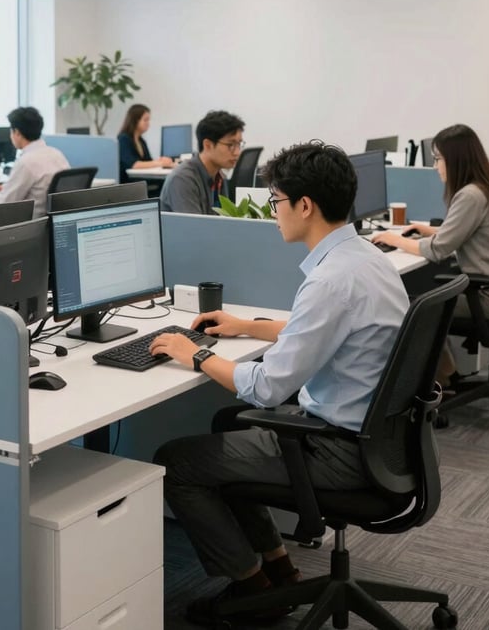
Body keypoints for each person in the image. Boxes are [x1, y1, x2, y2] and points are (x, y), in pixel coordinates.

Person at [150, 142, 409, 625]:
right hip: (383, 443)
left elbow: (267, 387)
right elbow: (332, 334)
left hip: (340, 453)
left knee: (177, 462)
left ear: (304, 205)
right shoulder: (367, 259)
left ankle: (248, 591)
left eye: (276, 201)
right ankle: (279, 569)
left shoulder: (331, 280)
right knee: (228, 423)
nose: (274, 212)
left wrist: (195, 354)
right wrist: (247, 327)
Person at [373, 124, 489, 379]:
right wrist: (424, 229)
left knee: (410, 305)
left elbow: (438, 251)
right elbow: (461, 234)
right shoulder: (487, 187)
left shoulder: (470, 196)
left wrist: (392, 238)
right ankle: (445, 373)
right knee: (423, 295)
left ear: (455, 159)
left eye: (438, 159)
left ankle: (440, 378)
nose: (435, 166)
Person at [0, 107, 69, 213]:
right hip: (52, 223)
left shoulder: (26, 162)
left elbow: (6, 203)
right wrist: (6, 187)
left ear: (17, 133)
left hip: (33, 224)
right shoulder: (56, 153)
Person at [159, 110, 245, 215]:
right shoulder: (183, 179)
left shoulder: (219, 176)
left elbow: (223, 221)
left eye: (239, 144)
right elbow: (193, 228)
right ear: (207, 145)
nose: (237, 152)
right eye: (230, 145)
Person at [117, 104, 174, 182]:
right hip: (129, 182)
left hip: (141, 180)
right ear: (135, 121)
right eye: (145, 120)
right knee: (167, 182)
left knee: (169, 180)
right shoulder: (123, 139)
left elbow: (148, 161)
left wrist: (161, 161)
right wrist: (160, 163)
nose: (148, 123)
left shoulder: (141, 141)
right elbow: (134, 165)